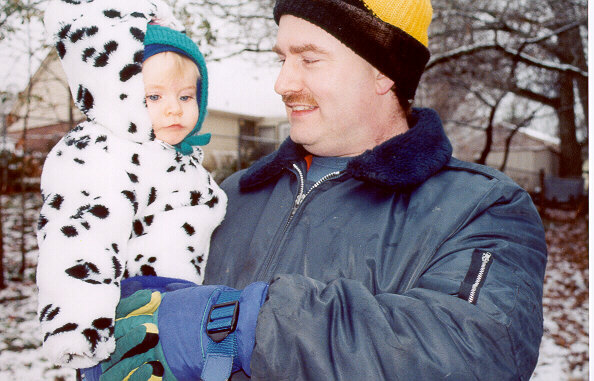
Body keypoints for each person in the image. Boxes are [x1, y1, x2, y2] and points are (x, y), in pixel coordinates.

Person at [91, 0, 548, 379]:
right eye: (282, 59)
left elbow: (472, 353)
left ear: (383, 72)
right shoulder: (231, 194)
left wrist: (242, 324)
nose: (283, 83)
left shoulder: (482, 208)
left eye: (309, 59)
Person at [36, 0, 226, 369]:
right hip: (125, 315)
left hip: (179, 313)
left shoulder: (179, 158)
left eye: (185, 96)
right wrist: (79, 325)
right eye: (154, 96)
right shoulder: (101, 154)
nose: (175, 109)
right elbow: (79, 237)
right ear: (115, 92)